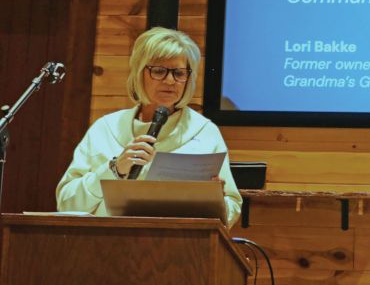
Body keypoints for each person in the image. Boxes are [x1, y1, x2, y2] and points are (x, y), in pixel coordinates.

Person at [56, 27, 242, 228]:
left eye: (179, 73)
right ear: (139, 72)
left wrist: (215, 200)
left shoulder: (205, 132)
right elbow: (66, 204)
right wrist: (114, 169)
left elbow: (231, 209)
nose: (170, 81)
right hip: (107, 245)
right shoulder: (105, 129)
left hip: (180, 250)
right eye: (159, 71)